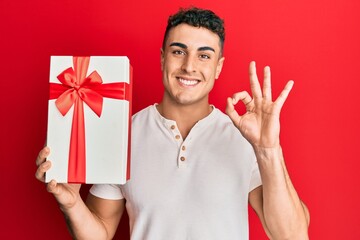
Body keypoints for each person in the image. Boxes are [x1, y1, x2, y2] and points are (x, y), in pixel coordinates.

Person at [35, 7, 310, 240]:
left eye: (204, 55)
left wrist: (268, 149)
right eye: (179, 51)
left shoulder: (243, 138)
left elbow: (292, 235)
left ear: (218, 68)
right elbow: (101, 231)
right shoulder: (123, 135)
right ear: (162, 58)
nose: (189, 66)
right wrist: (70, 202)